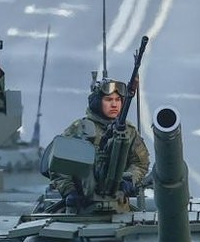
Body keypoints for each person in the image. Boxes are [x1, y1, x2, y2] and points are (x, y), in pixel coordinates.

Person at [50, 78, 150, 208]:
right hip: (81, 206)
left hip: (118, 206)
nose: (114, 105)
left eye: (118, 100)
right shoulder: (80, 129)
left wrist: (129, 180)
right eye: (108, 100)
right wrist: (70, 191)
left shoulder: (128, 132)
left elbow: (140, 163)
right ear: (97, 102)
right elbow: (60, 166)